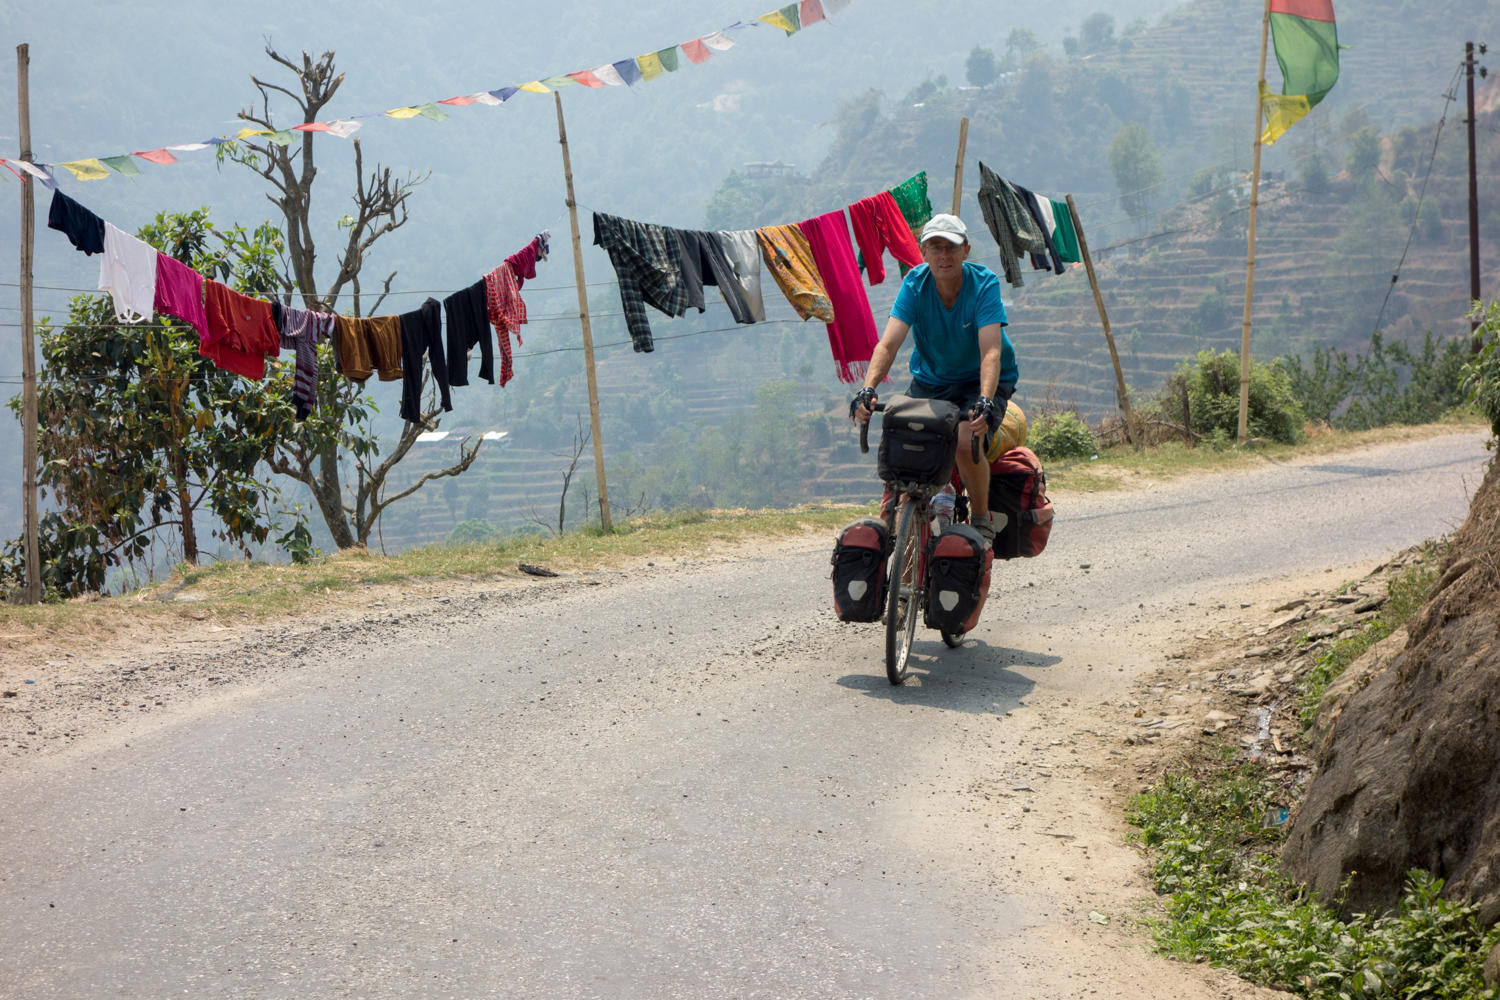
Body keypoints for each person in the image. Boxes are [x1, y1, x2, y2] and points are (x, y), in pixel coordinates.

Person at [849, 213, 1019, 543]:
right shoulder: (915, 284)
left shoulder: (983, 284)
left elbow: (990, 352)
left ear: (966, 250)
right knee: (905, 436)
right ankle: (899, 522)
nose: (944, 255)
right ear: (923, 252)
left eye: (951, 247)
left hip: (980, 380)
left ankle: (981, 518)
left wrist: (985, 400)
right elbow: (888, 344)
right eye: (935, 247)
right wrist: (868, 388)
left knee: (965, 440)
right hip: (932, 379)